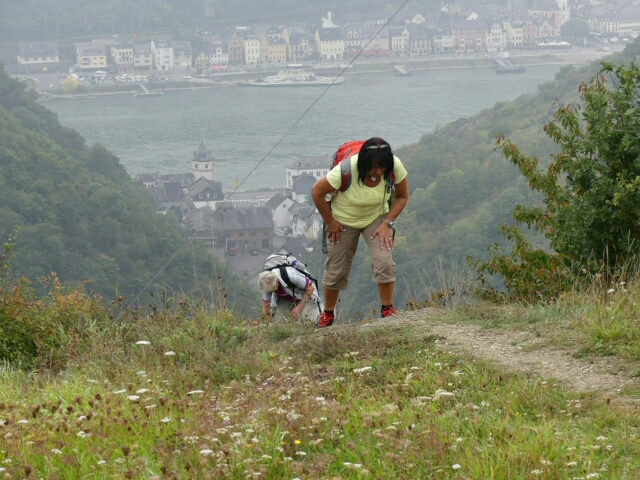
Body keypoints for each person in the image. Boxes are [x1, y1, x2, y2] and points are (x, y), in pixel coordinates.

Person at [311, 137, 409, 328]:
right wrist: (330, 222)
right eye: (374, 168)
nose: (379, 171)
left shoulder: (394, 166)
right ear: (364, 163)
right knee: (336, 268)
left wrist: (387, 223)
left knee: (384, 262)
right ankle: (328, 314)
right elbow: (317, 192)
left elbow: (403, 196)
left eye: (383, 168)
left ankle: (387, 309)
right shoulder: (346, 170)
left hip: (376, 218)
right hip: (343, 220)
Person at [258, 267, 322, 325]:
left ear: (277, 281)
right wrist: (268, 321)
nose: (271, 292)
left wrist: (298, 308)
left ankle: (316, 319)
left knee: (305, 321)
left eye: (273, 289)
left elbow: (310, 288)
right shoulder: (265, 285)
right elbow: (266, 305)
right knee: (278, 323)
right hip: (286, 297)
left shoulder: (290, 275)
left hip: (307, 294)